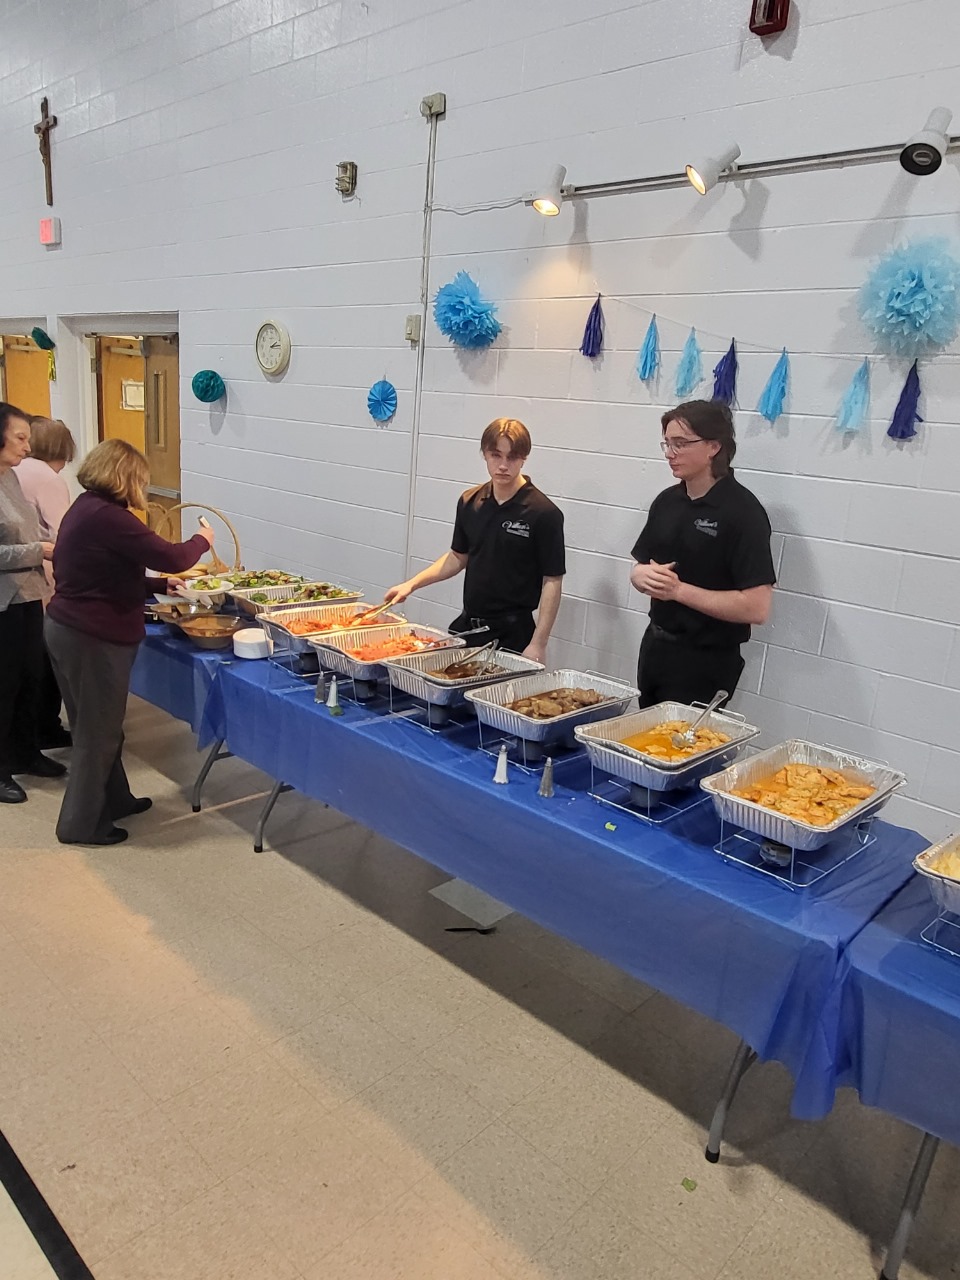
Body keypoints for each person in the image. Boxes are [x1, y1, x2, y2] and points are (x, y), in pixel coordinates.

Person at [45, 439, 213, 845]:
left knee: (99, 727)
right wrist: (202, 539)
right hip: (91, 636)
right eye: (140, 479)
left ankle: (115, 800)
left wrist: (158, 586)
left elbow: (101, 573)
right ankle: (80, 826)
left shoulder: (88, 507)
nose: (143, 486)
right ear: (124, 477)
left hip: (69, 628)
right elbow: (173, 557)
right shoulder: (109, 517)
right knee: (97, 735)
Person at [629, 399, 775, 709]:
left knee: (683, 740)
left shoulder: (743, 513)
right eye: (667, 443)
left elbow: (756, 608)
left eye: (681, 444)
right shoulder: (667, 502)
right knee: (643, 733)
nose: (670, 453)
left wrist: (678, 591)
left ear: (713, 446)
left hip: (705, 659)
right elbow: (642, 566)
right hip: (656, 646)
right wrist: (639, 576)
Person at [385, 418, 565, 662]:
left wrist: (538, 643)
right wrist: (412, 584)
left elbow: (552, 580)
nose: (503, 465)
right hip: (470, 627)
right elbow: (458, 556)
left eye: (512, 457)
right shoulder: (470, 501)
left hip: (514, 635)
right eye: (496, 455)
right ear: (485, 454)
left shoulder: (544, 513)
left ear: (524, 458)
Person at [0, 403, 62, 804]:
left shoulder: (9, 477)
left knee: (30, 676)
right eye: (20, 438)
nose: (27, 447)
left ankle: (27, 753)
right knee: (4, 685)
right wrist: (38, 550)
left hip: (27, 593)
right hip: (3, 601)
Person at [17, 416, 77, 747]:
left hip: (21, 575)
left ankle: (32, 730)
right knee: (47, 656)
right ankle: (46, 727)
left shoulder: (16, 471)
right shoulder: (47, 478)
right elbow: (63, 533)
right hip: (42, 574)